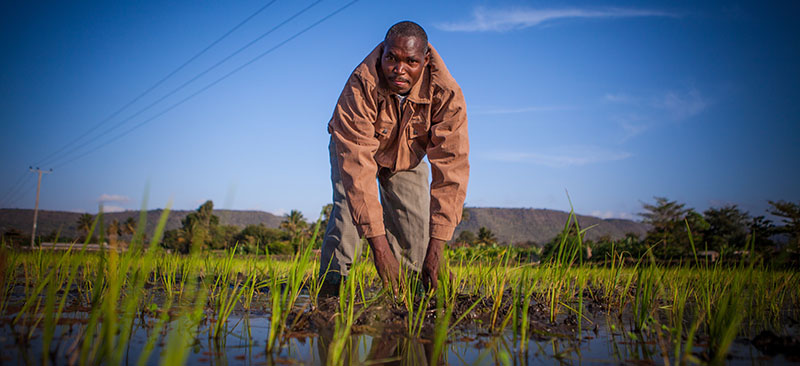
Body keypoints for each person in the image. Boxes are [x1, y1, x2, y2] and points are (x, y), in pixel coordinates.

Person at [320, 21, 469, 293]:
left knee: (417, 232)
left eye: (410, 61)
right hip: (355, 150)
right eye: (392, 59)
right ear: (383, 53)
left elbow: (452, 168)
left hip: (406, 158)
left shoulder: (446, 94)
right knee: (347, 217)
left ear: (425, 60)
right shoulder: (361, 84)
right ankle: (332, 293)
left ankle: (406, 296)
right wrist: (381, 252)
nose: (399, 69)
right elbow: (358, 172)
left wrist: (436, 249)